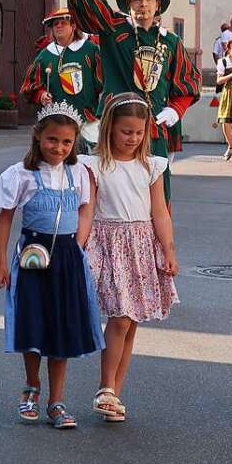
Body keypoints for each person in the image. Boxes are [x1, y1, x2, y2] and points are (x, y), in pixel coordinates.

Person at [55, 0, 201, 202]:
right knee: (110, 192)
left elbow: (187, 85)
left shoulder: (171, 43)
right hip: (114, 125)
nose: (143, 5)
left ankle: (154, 243)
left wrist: (175, 110)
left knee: (154, 196)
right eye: (137, 0)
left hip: (153, 128)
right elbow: (91, 6)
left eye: (148, 0)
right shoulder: (115, 29)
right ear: (128, 4)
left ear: (158, 5)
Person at [0, 101, 103, 428]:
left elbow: (85, 210)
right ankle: (31, 387)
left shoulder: (78, 172)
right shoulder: (21, 174)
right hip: (32, 256)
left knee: (62, 326)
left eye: (67, 142)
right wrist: (1, 263)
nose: (59, 147)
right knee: (33, 322)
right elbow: (4, 220)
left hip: (67, 257)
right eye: (52, 140)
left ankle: (57, 401)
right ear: (38, 137)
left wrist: (78, 245)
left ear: (74, 143)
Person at [79, 93, 178, 423]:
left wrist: (168, 249)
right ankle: (105, 387)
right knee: (120, 318)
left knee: (131, 321)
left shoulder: (151, 165)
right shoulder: (96, 165)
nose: (133, 138)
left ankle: (114, 396)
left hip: (141, 244)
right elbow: (88, 210)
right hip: (109, 242)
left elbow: (160, 212)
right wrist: (77, 247)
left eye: (138, 132)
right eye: (126, 132)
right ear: (110, 129)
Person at [21, 7, 103, 154]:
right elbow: (30, 86)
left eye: (63, 23)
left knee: (91, 165)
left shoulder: (90, 50)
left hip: (88, 120)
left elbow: (103, 81)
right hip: (57, 122)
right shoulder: (45, 55)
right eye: (54, 24)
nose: (58, 26)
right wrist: (41, 95)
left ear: (73, 25)